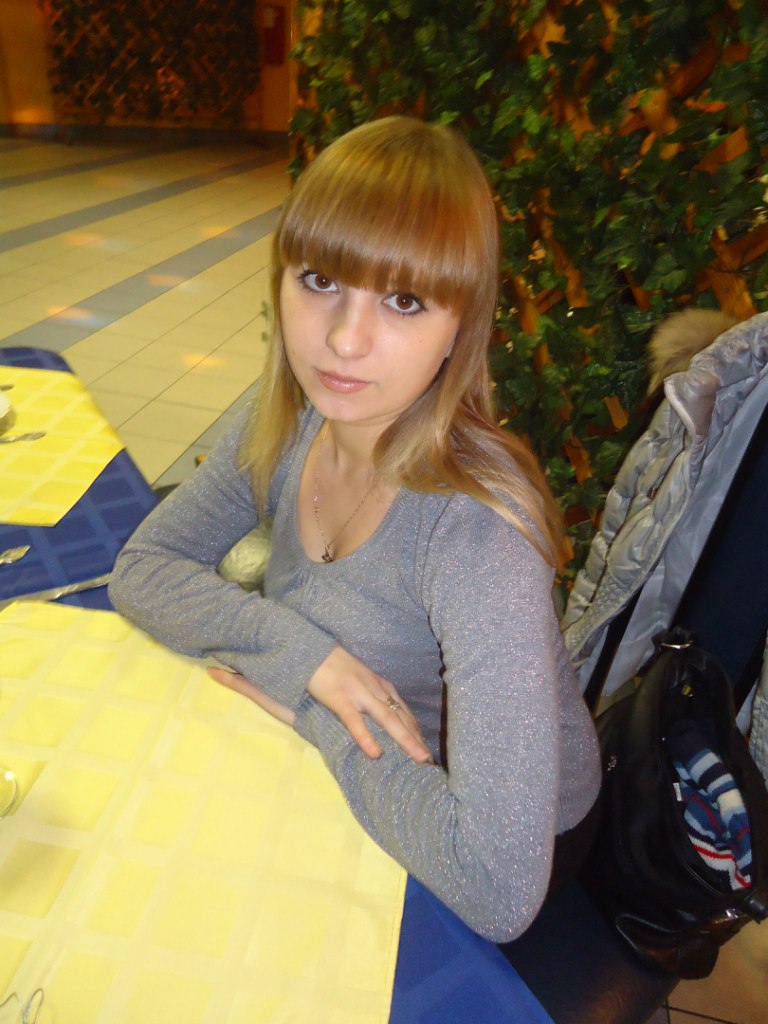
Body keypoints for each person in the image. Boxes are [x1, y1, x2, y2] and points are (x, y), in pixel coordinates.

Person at [109, 116, 601, 943]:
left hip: (505, 842)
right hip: (364, 782)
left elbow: (499, 889)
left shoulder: (475, 535)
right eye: (320, 280)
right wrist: (307, 658)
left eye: (404, 301)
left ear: (461, 325)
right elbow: (145, 567)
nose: (343, 339)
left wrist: (315, 709)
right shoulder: (288, 416)